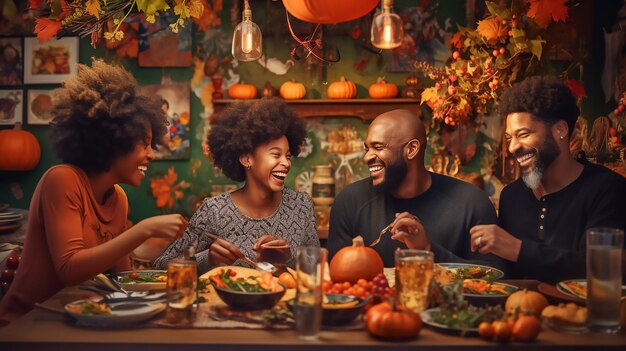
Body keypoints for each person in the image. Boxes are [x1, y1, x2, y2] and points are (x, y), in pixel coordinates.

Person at [0, 60, 188, 322]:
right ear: (113, 141)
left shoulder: (118, 198)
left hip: (78, 321)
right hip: (27, 324)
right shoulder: (62, 180)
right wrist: (144, 229)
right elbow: (69, 270)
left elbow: (123, 280)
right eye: (144, 145)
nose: (151, 154)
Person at [469, 76, 626, 283]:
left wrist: (517, 249)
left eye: (523, 134)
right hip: (519, 313)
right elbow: (504, 277)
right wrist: (429, 249)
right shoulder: (511, 196)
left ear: (560, 130)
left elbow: (602, 268)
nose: (512, 147)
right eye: (509, 138)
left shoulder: (607, 188)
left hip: (584, 313)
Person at [154, 98, 319, 274]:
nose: (285, 163)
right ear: (246, 159)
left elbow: (317, 269)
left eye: (287, 155)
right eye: (276, 154)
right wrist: (207, 259)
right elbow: (162, 267)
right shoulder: (214, 211)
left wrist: (288, 258)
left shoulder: (301, 206)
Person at [328, 109, 504, 270]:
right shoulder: (350, 201)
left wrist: (427, 251)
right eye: (367, 148)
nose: (367, 157)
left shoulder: (471, 202)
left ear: (411, 149)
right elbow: (339, 277)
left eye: (378, 148)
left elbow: (495, 274)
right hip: (374, 305)